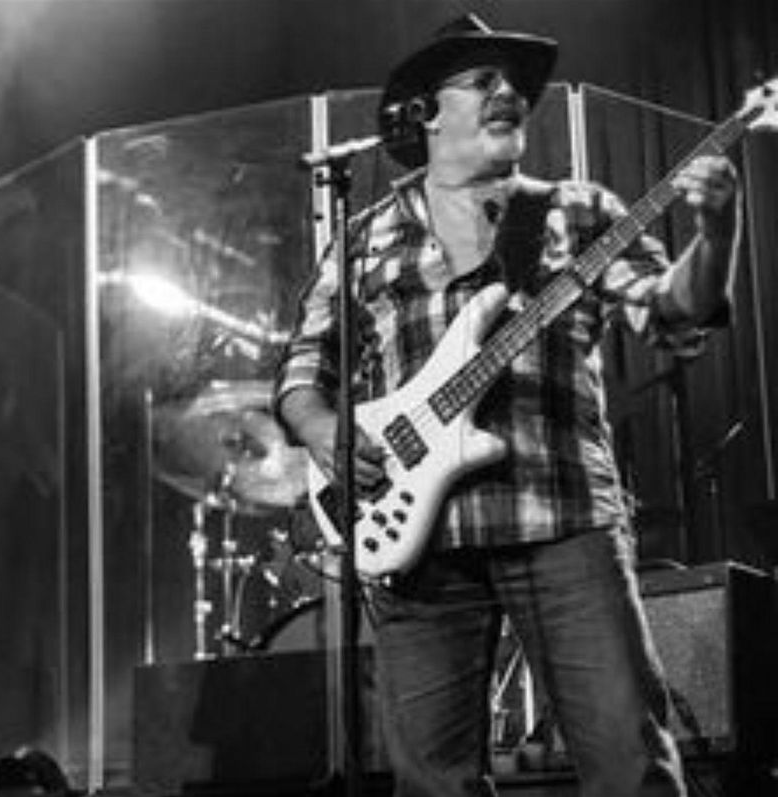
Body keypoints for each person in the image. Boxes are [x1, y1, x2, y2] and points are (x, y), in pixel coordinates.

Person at [275, 14, 739, 797]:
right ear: (425, 112)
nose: (509, 93)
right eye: (482, 80)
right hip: (417, 542)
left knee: (629, 766)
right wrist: (324, 430)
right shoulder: (362, 236)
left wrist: (717, 229)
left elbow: (673, 312)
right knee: (431, 783)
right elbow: (299, 370)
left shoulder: (576, 210)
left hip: (560, 517)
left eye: (516, 84)